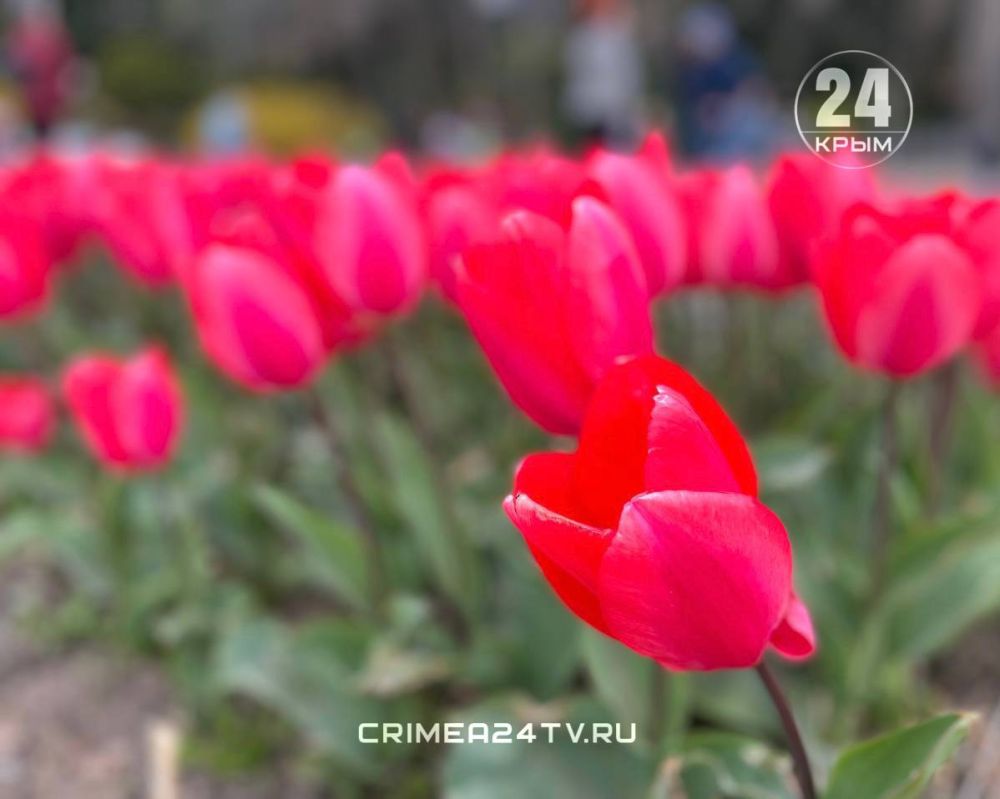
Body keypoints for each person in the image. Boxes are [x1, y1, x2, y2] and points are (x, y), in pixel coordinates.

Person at [562, 0, 643, 148]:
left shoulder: (620, 36)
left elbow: (629, 74)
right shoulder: (580, 38)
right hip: (592, 110)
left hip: (617, 110)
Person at [6, 0, 75, 139]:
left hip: (49, 101)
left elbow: (65, 66)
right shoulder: (20, 35)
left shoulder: (56, 38)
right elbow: (13, 63)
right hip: (25, 102)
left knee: (47, 136)